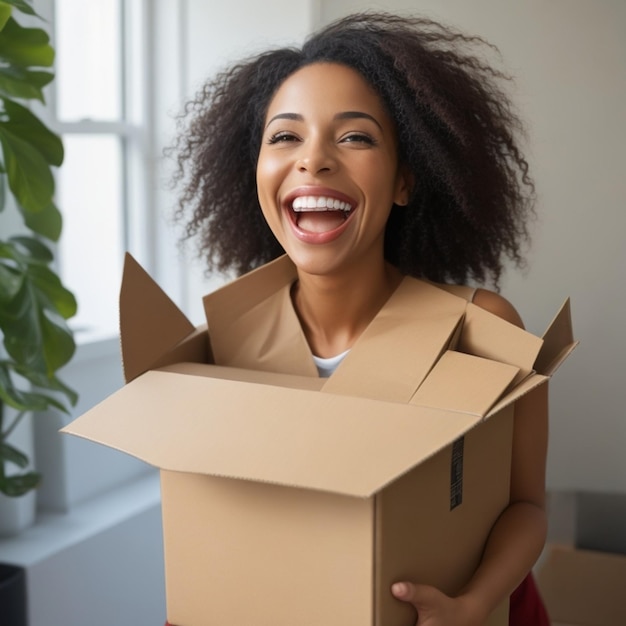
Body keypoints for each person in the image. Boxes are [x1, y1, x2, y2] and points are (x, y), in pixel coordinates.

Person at [168, 11, 551, 626]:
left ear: (404, 180)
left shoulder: (481, 327)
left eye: (355, 137)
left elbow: (528, 506)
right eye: (285, 137)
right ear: (256, 174)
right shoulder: (225, 344)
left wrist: (474, 605)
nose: (313, 160)